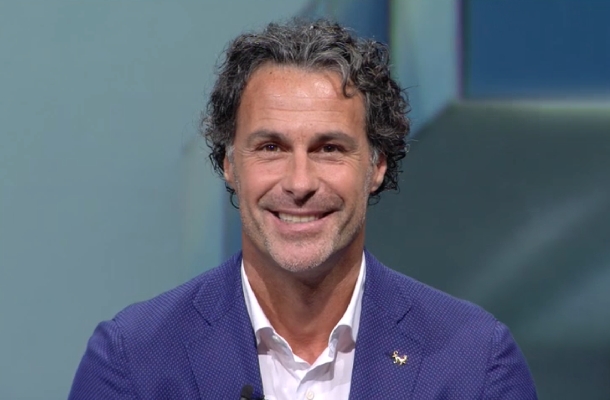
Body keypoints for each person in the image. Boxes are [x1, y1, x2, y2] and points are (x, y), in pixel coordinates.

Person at [69, 19, 537, 399]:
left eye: (329, 149)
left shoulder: (475, 364)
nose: (299, 183)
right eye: (270, 147)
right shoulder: (133, 361)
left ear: (376, 165)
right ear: (229, 164)